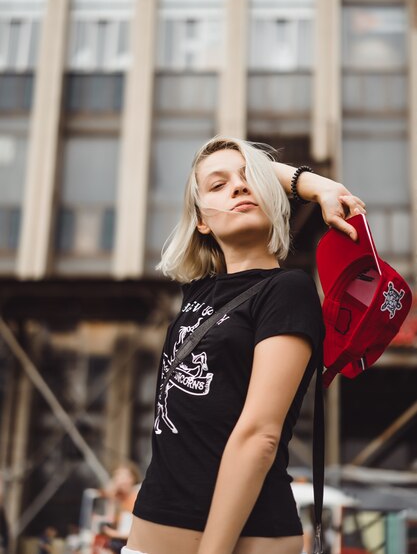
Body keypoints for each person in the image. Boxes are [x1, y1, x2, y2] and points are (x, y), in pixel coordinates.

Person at [122, 136, 366, 554]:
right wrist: (312, 185)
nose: (238, 187)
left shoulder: (286, 290)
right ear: (202, 220)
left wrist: (322, 188)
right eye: (218, 186)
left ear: (273, 199)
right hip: (148, 536)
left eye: (249, 179)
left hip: (237, 542)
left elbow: (259, 435)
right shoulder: (199, 293)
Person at [96, 462, 141, 554]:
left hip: (131, 546)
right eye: (116, 476)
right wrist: (112, 497)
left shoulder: (136, 499)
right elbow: (110, 520)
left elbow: (136, 533)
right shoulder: (119, 500)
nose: (119, 480)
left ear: (132, 479)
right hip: (118, 543)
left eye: (123, 476)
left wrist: (112, 533)